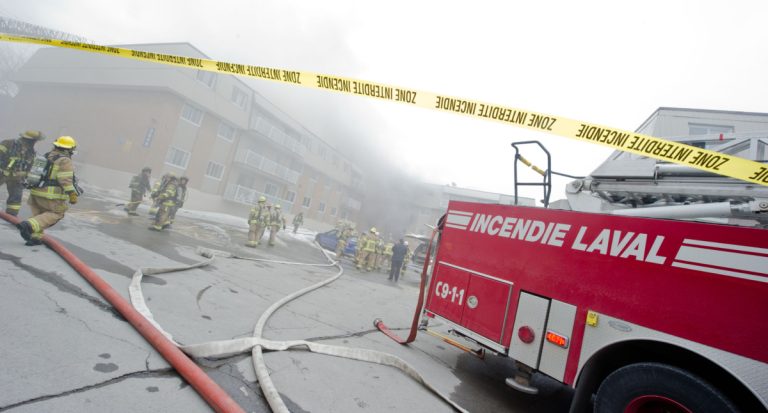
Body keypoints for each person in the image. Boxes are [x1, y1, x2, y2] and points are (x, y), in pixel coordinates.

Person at [17, 136, 78, 246]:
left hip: (36, 192)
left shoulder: (45, 156)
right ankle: (28, 225)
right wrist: (72, 193)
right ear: (68, 149)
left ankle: (35, 238)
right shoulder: (65, 160)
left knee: (39, 215)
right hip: (51, 195)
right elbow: (65, 179)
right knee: (57, 213)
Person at [0, 130, 45, 215]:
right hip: (2, 173)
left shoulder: (31, 152)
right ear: (30, 140)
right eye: (35, 141)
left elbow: (30, 166)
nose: (35, 143)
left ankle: (11, 216)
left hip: (16, 178)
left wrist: (25, 174)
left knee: (16, 198)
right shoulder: (8, 143)